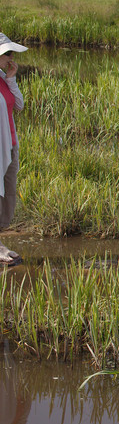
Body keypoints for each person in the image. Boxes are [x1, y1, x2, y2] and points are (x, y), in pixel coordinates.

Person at [0, 33, 27, 266]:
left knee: (8, 191)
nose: (11, 57)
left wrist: (11, 79)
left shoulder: (4, 78)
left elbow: (19, 105)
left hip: (10, 145)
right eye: (7, 53)